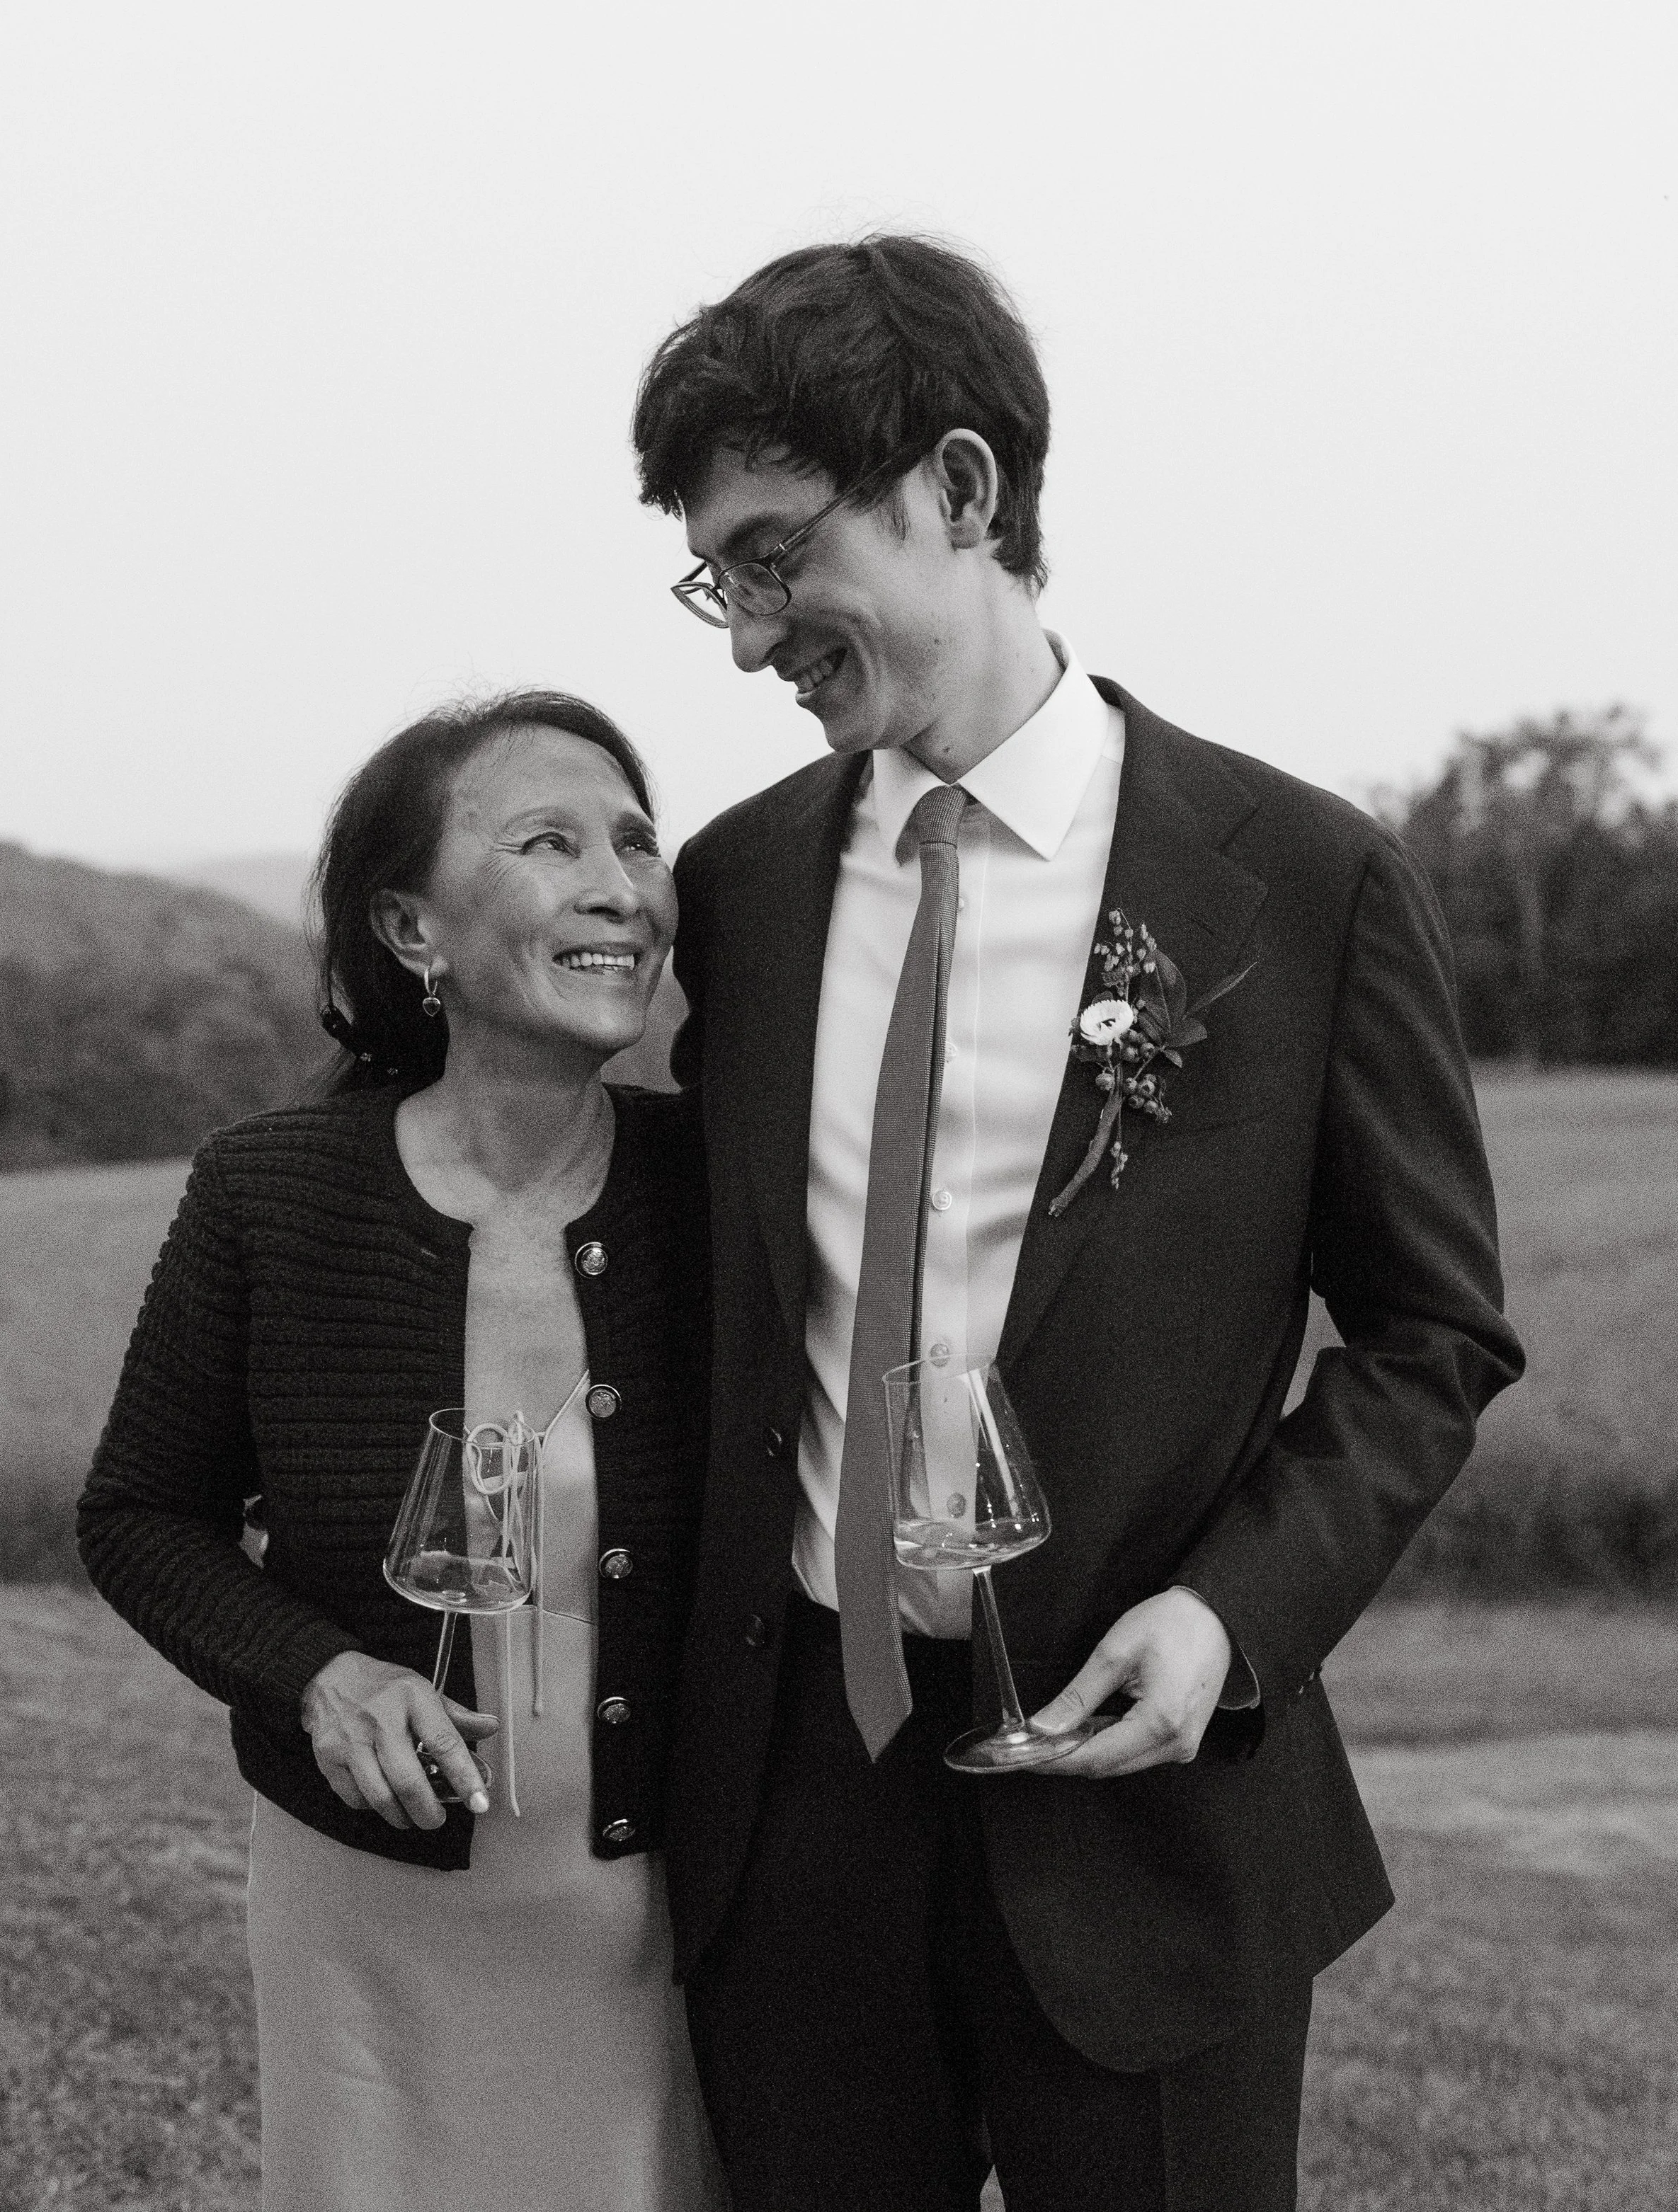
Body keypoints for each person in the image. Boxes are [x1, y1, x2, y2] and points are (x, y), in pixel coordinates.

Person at [629, 237, 1524, 2212]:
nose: (747, 632)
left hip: (1147, 1804)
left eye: (776, 556)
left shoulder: (1295, 880)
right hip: (795, 1804)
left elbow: (1426, 1333)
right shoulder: (739, 887)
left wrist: (1230, 1619)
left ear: (958, 488)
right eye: (718, 577)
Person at [78, 690, 727, 2211]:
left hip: (660, 1915)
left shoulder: (714, 1190)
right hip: (364, 1916)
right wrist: (318, 1674)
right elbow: (138, 1514)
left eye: (636, 841)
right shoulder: (269, 1192)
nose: (617, 885)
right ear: (411, 928)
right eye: (547, 841)